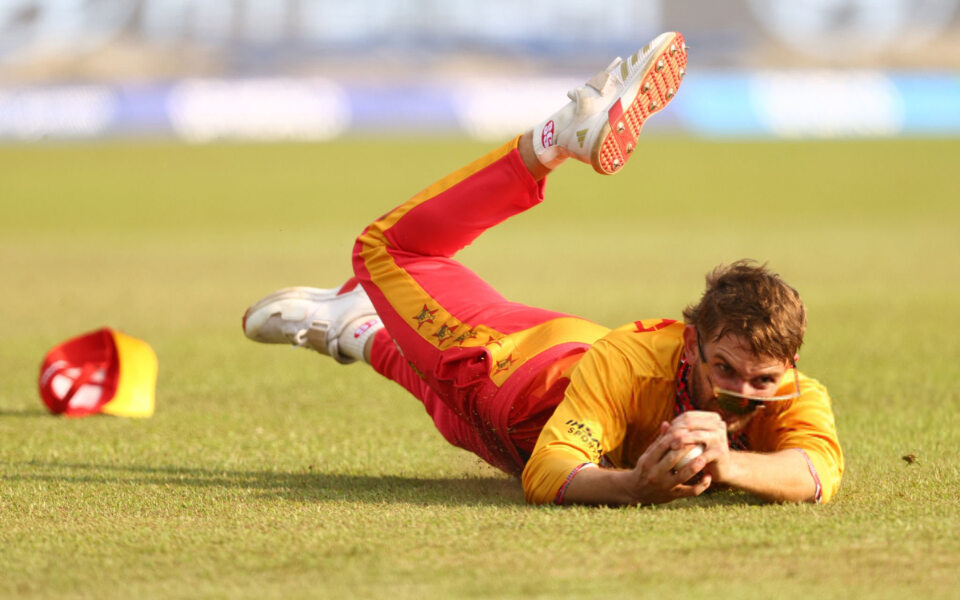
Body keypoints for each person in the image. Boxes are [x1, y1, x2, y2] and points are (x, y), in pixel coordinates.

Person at [242, 32, 843, 506]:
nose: (742, 394)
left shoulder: (788, 393)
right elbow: (549, 472)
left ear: (789, 367)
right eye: (726, 369)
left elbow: (818, 470)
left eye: (763, 380)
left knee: (439, 399)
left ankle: (354, 326)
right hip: (514, 374)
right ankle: (554, 140)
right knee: (389, 253)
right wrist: (636, 485)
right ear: (691, 347)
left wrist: (730, 464)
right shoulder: (631, 366)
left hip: (513, 414)